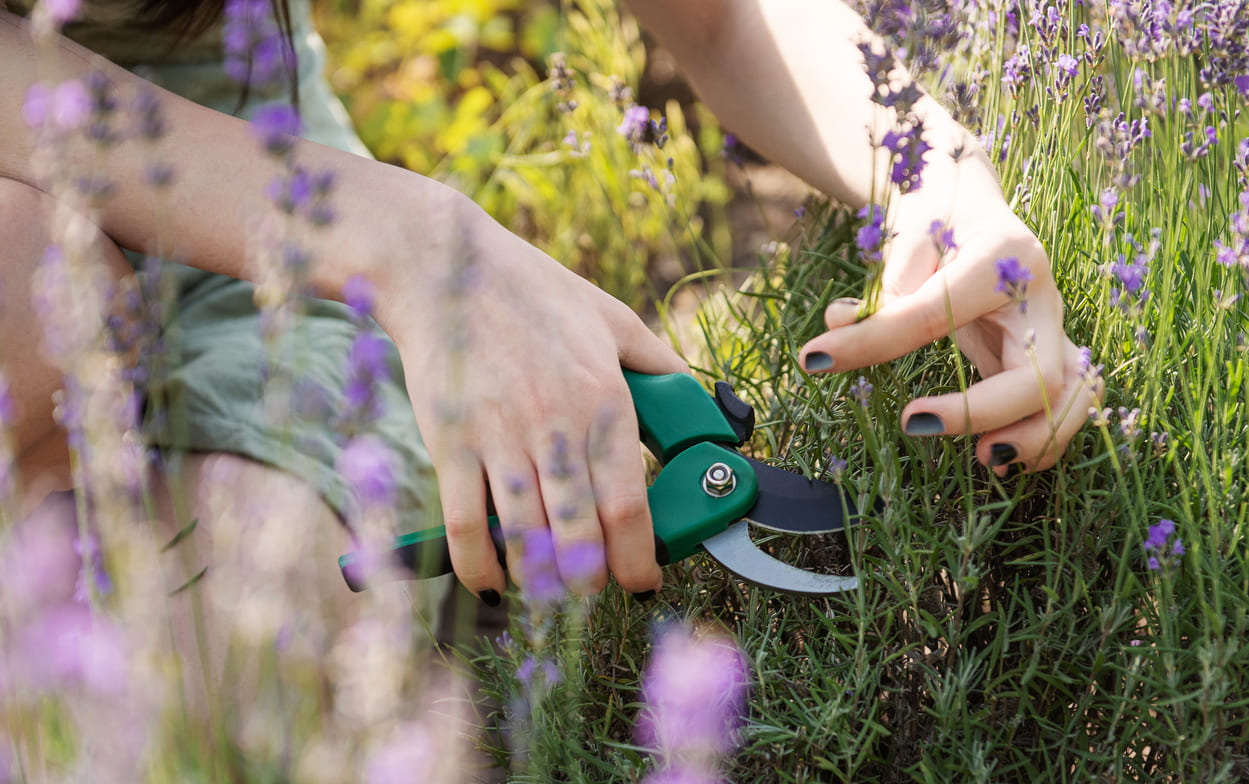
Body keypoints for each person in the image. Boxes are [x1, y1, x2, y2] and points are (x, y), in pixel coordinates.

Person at [0, 0, 1093, 616]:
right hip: (114, 218)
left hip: (263, 157)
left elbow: (720, 20)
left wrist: (940, 179)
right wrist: (411, 242)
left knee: (264, 619)